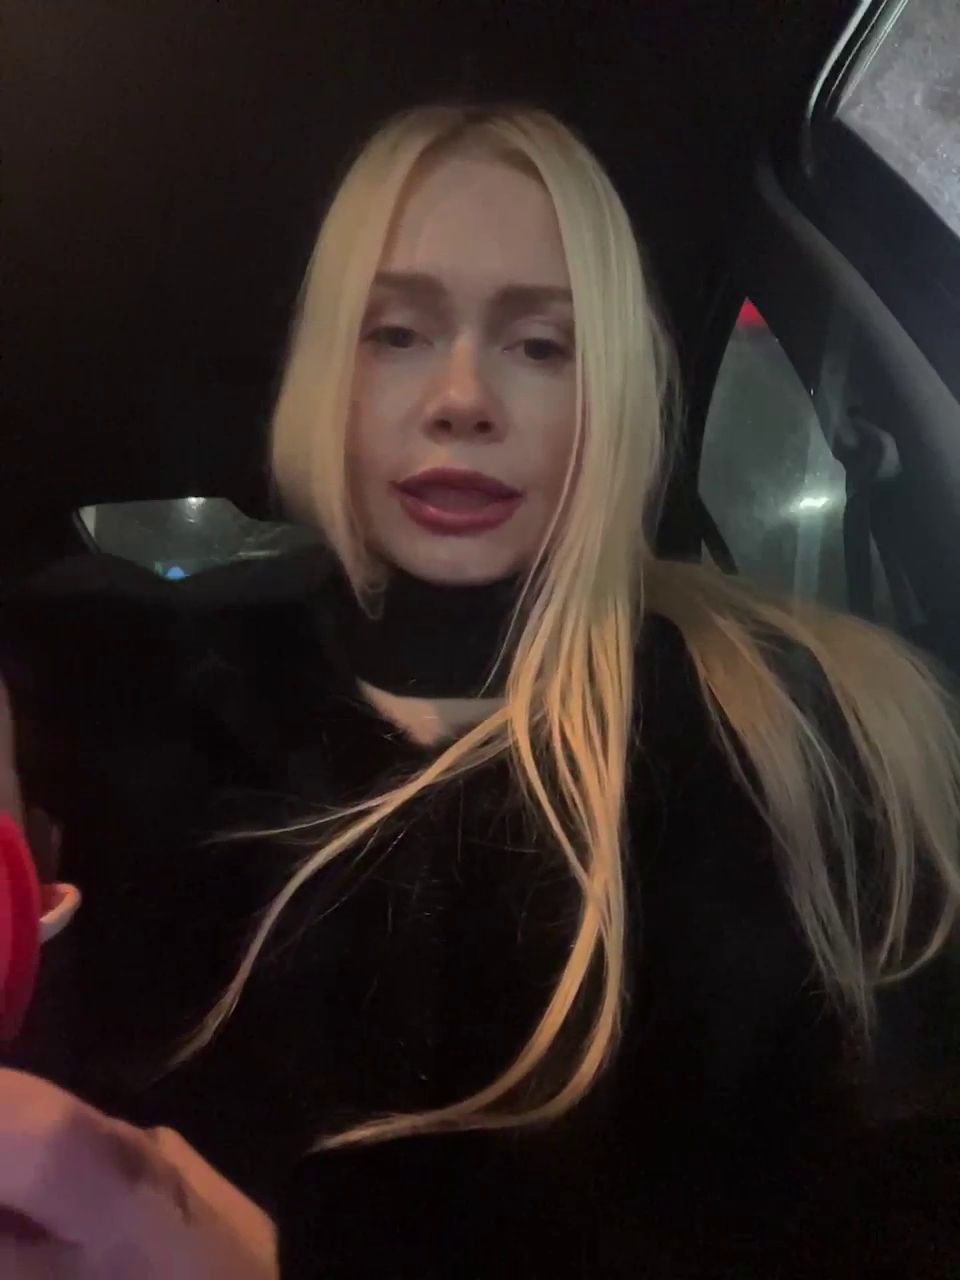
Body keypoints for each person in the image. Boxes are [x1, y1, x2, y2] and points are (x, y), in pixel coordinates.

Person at [2, 102, 959, 1277]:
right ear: (328, 374)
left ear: (612, 393)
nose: (461, 397)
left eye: (540, 345)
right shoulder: (136, 741)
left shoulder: (811, 745)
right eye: (397, 333)